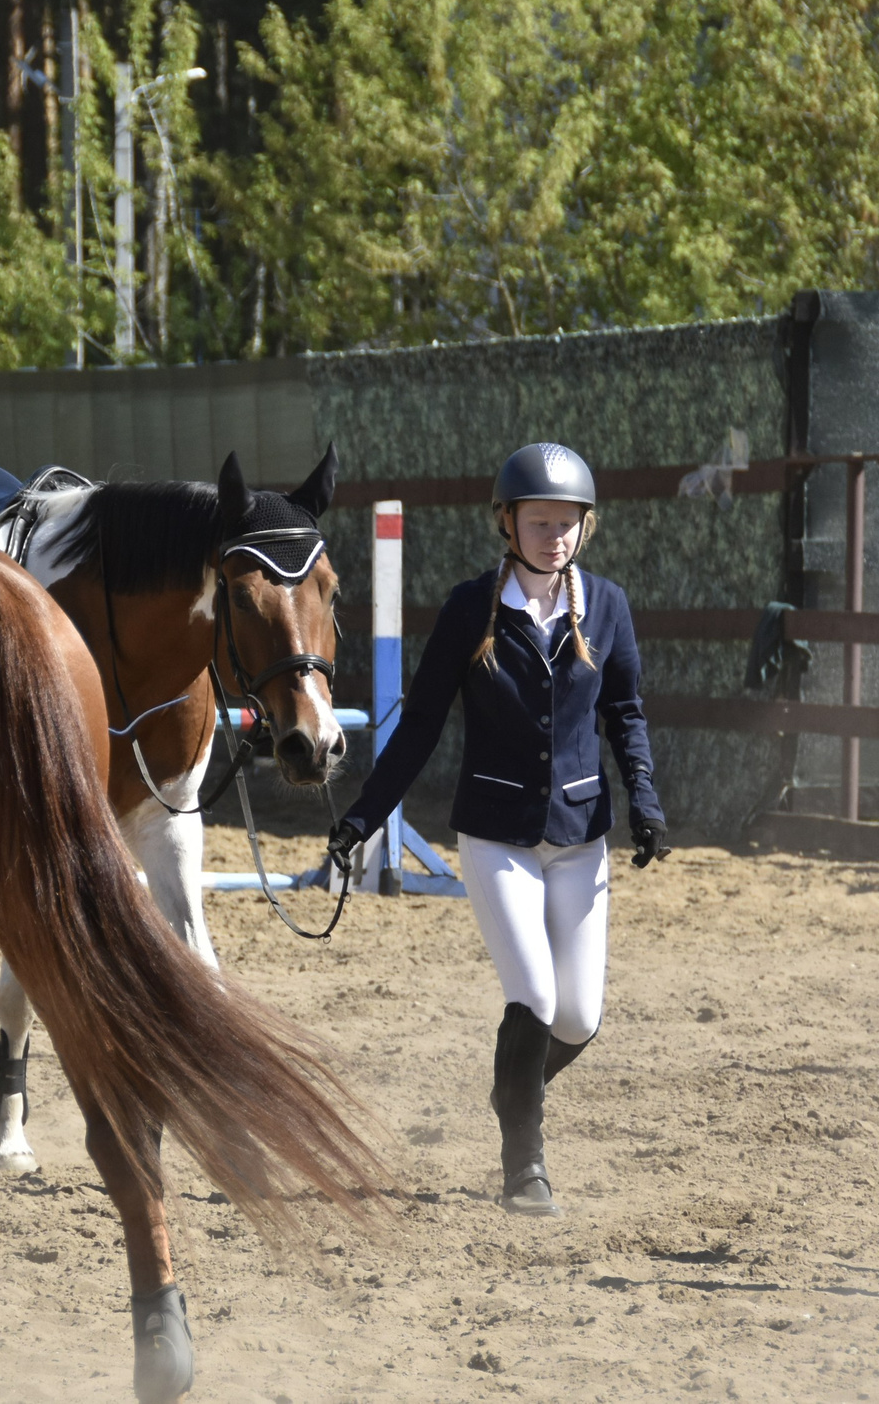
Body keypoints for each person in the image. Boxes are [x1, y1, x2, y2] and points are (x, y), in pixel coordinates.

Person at [330, 441, 671, 1217]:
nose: (554, 536)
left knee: (579, 1016)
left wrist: (646, 802)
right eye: (539, 521)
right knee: (536, 996)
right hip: (495, 836)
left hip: (580, 836)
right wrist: (363, 816)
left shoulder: (607, 604)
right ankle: (525, 1163)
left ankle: (511, 1090)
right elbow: (419, 726)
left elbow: (625, 712)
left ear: (586, 526)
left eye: (567, 522)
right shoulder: (469, 608)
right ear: (506, 522)